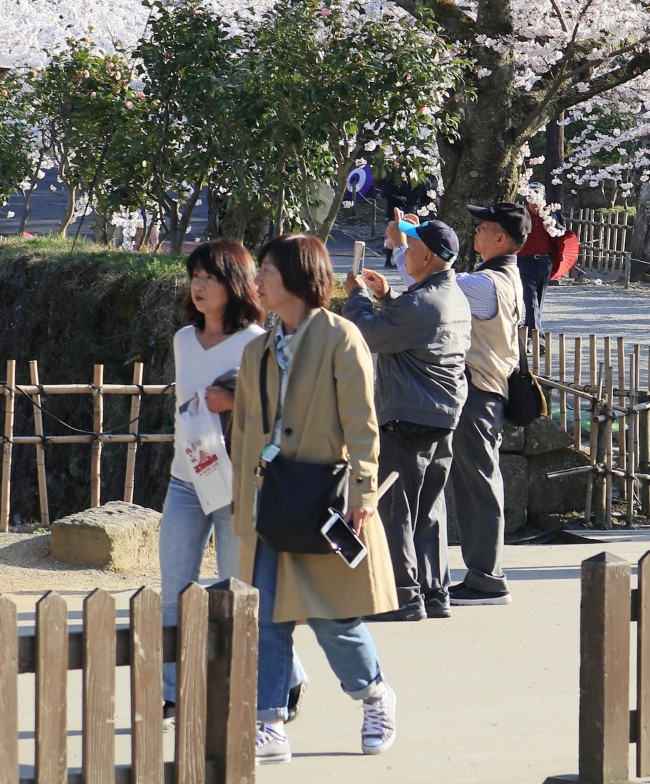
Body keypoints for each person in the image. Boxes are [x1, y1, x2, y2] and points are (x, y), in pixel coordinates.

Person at [229, 234, 397, 763]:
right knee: (268, 614)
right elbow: (245, 432)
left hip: (325, 497)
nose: (257, 281)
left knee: (331, 616)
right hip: (270, 498)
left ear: (299, 278)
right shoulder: (257, 347)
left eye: (268, 272)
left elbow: (363, 424)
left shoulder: (341, 337)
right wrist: (240, 502)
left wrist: (365, 490)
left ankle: (373, 695)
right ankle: (270, 721)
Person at [161, 241, 290, 722]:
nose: (198, 285)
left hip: (237, 484)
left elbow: (277, 411)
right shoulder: (182, 340)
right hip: (185, 479)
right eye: (194, 276)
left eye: (209, 277)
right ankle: (173, 692)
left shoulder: (257, 341)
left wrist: (232, 402)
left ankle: (284, 678)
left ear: (234, 283)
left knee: (241, 588)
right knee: (174, 586)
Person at [346, 218, 471, 621]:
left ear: (428, 256)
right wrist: (388, 295)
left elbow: (367, 333)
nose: (403, 249)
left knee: (397, 507)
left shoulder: (421, 303)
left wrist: (359, 296)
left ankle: (402, 595)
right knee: (431, 507)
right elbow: (412, 320)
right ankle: (435, 592)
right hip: (443, 412)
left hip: (408, 413)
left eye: (410, 244)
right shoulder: (450, 296)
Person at [447, 202, 528, 606]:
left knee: (477, 484)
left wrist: (408, 244)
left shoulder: (483, 284)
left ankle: (486, 578)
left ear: (501, 238)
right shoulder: (509, 276)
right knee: (478, 482)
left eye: (484, 226)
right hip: (492, 389)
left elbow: (434, 288)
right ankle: (485, 573)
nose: (475, 230)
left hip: (478, 389)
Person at [517, 198, 554, 331]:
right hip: (525, 261)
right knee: (531, 300)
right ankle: (538, 338)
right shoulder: (521, 214)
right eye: (531, 199)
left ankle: (528, 332)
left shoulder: (550, 215)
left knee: (538, 300)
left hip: (544, 261)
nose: (534, 203)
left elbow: (561, 234)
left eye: (537, 199)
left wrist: (551, 228)